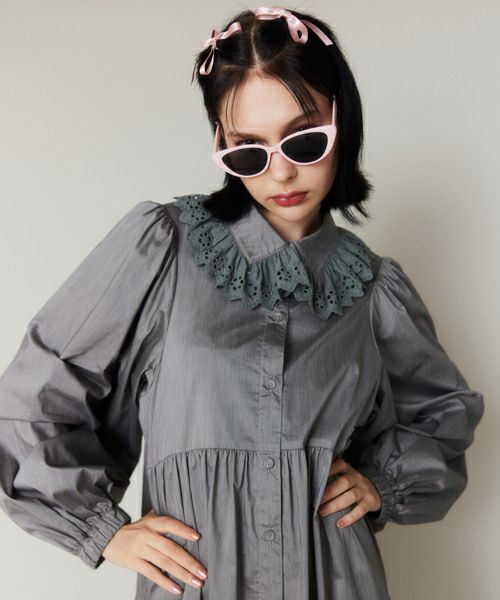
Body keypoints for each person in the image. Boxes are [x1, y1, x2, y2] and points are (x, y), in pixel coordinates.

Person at [0, 5, 485, 600]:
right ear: (221, 146)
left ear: (342, 121)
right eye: (249, 150)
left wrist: (382, 483)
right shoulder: (164, 249)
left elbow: (444, 415)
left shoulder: (373, 288)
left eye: (303, 140)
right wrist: (102, 532)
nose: (280, 173)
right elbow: (37, 395)